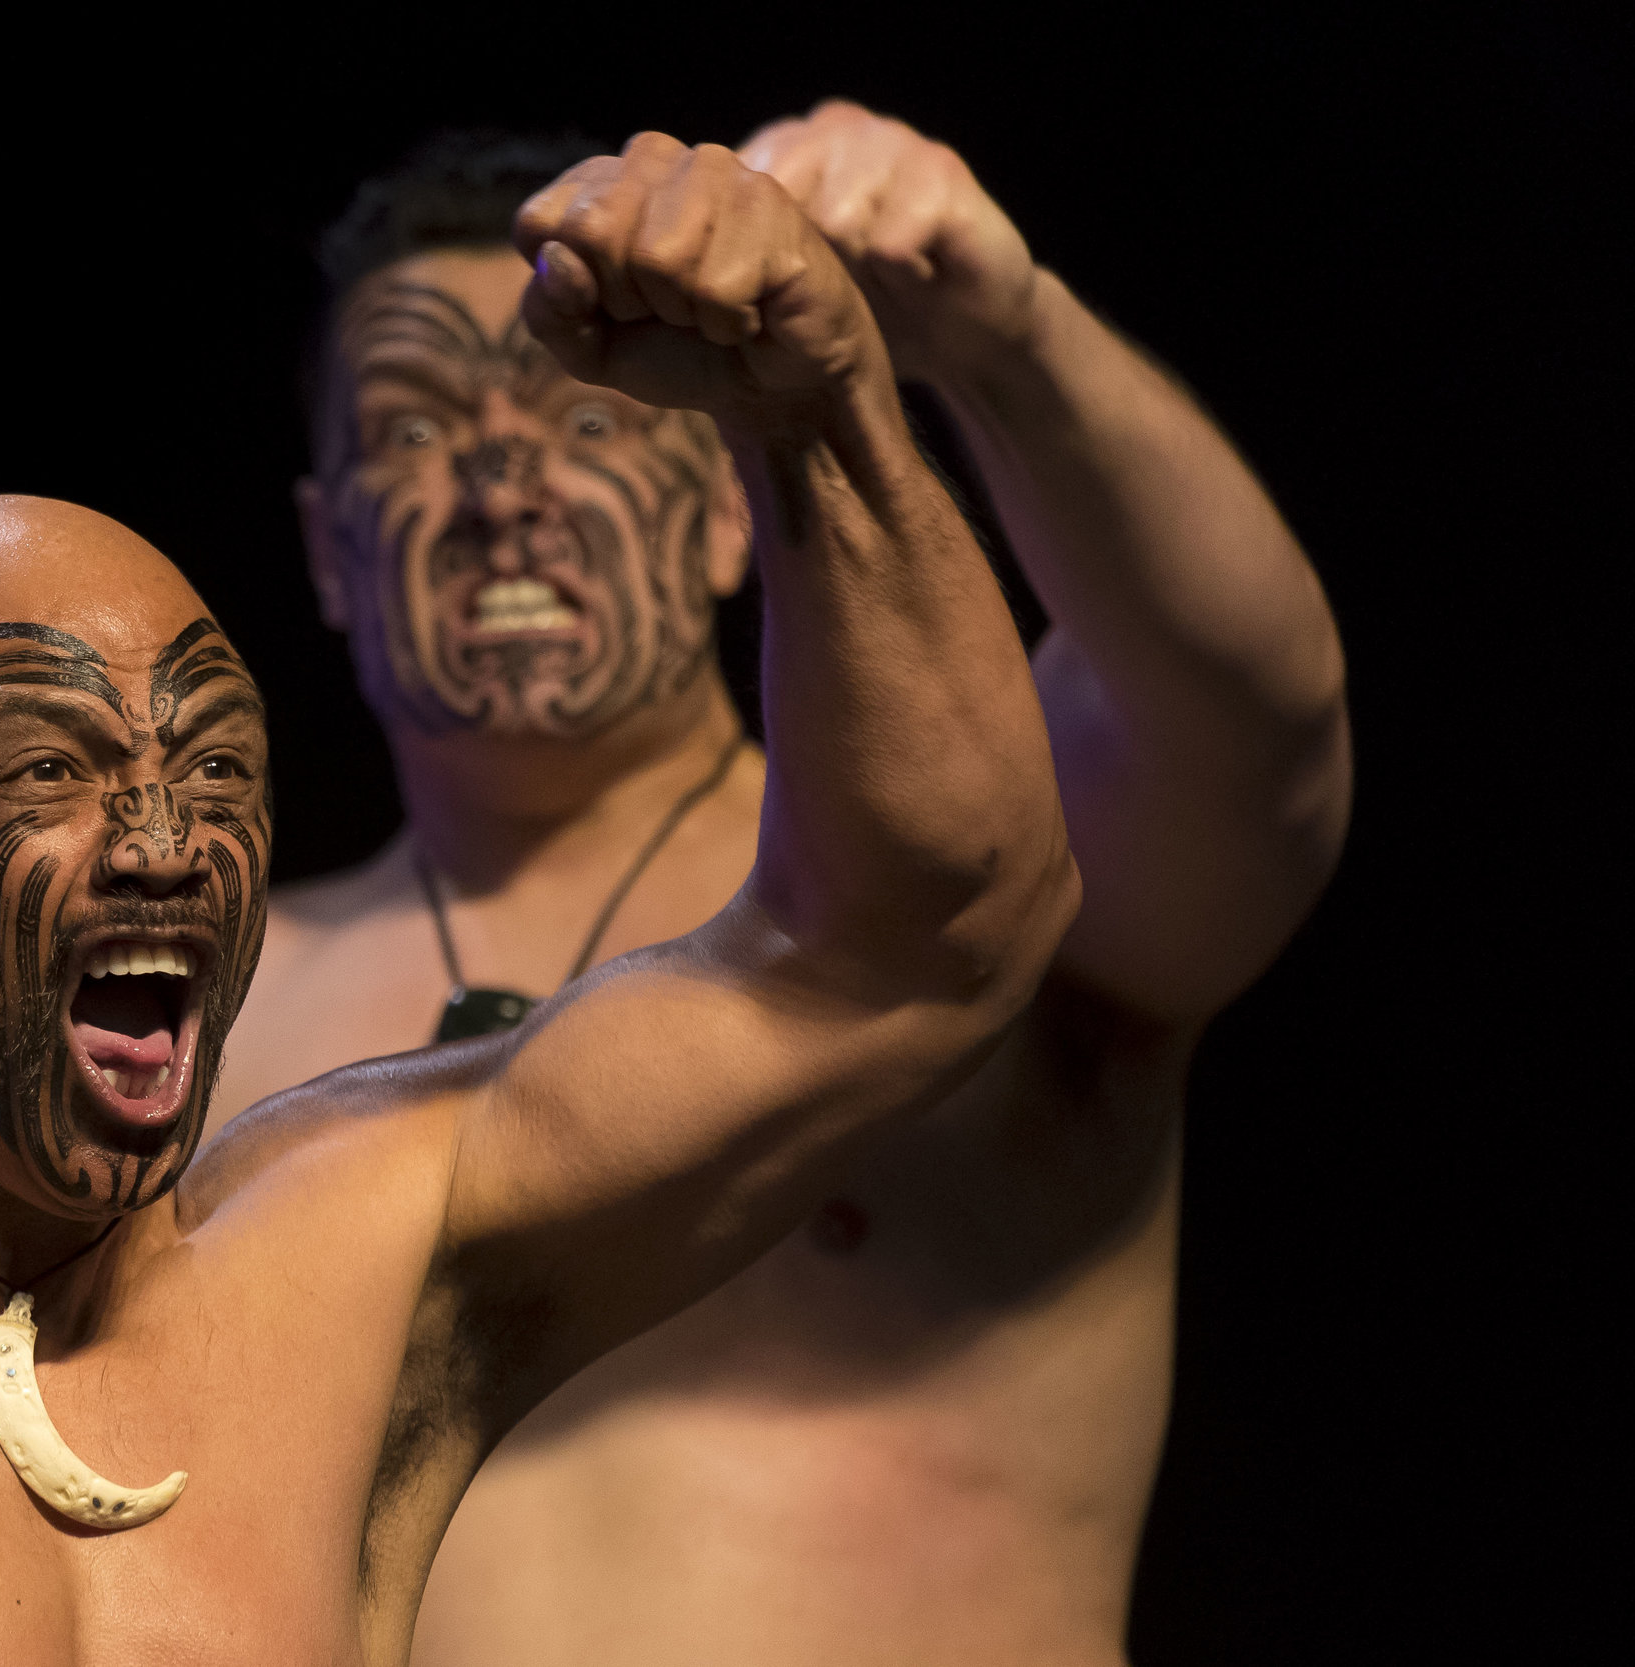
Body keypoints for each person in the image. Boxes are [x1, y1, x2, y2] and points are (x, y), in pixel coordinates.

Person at [0, 135, 1080, 1664]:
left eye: (209, 770)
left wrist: (823, 409)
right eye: (47, 768)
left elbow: (936, 932)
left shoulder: (349, 1255)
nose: (162, 844)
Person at [211, 102, 1351, 1666]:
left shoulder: (954, 884)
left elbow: (1253, 730)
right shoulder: (199, 1016)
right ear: (329, 556)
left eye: (589, 421)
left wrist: (1006, 337)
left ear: (732, 511)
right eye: (413, 430)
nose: (501, 487)